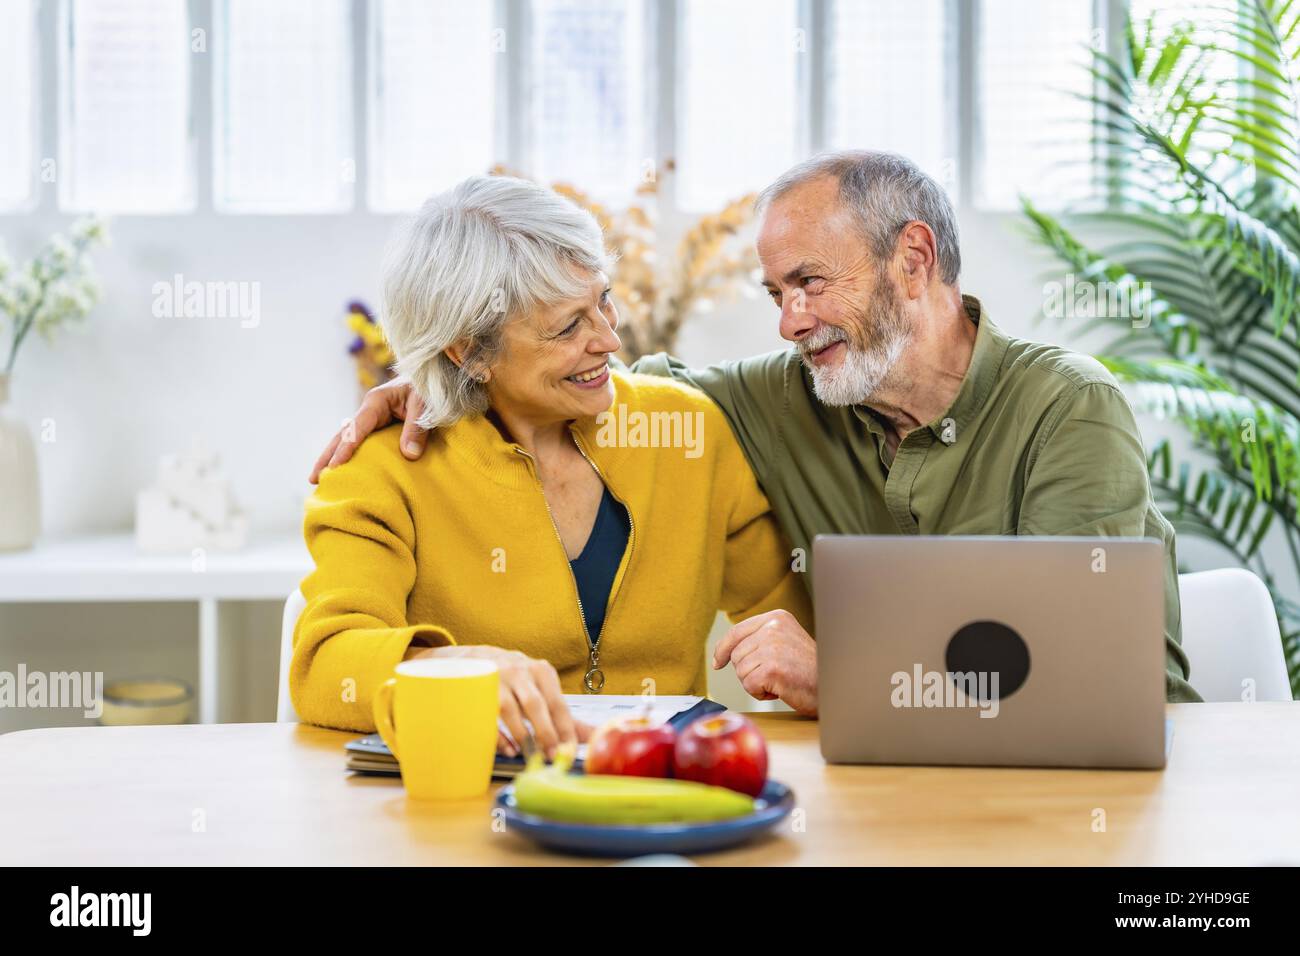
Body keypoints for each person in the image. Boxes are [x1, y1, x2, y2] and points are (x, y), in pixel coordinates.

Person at [313, 151, 1200, 709]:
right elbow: (632, 397)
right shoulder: (783, 394)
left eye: (811, 283)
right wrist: (434, 383)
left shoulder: (1071, 410)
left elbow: (1077, 674)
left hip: (1098, 791)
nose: (790, 323)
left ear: (915, 260)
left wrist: (848, 676)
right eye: (777, 295)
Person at [293, 175, 813, 757]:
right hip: (468, 809)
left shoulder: (687, 431)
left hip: (658, 797)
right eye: (569, 326)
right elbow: (325, 665)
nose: (610, 340)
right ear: (468, 349)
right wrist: (451, 668)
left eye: (604, 299)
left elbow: (799, 625)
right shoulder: (384, 466)